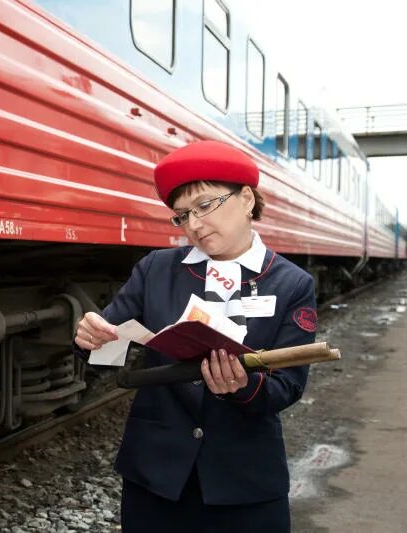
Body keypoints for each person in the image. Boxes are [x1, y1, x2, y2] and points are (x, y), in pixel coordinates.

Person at [74, 140, 317, 532]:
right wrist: (91, 337)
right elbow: (105, 346)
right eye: (182, 215)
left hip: (245, 485)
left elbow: (287, 386)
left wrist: (242, 387)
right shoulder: (156, 268)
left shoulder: (291, 284)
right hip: (156, 481)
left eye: (205, 206)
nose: (195, 225)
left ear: (246, 199)